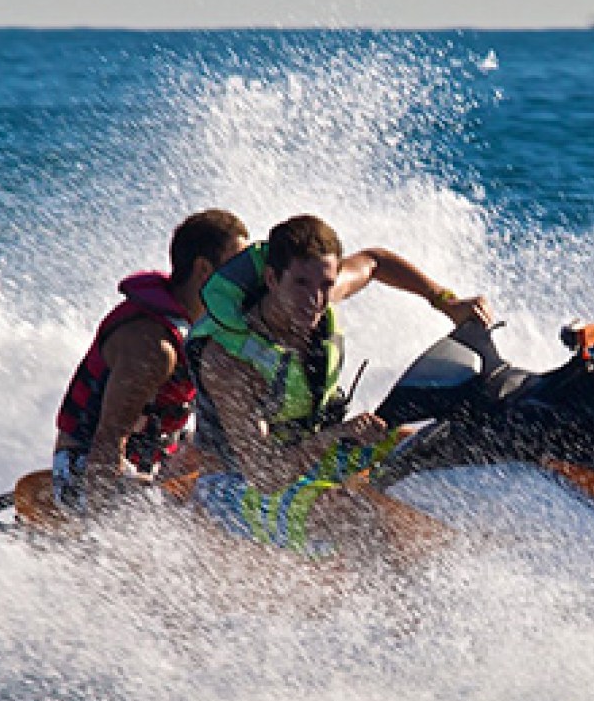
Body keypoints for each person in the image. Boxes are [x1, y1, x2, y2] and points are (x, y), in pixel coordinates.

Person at [187, 214, 492, 565]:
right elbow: (264, 475)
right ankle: (399, 616)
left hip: (312, 453)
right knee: (360, 517)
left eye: (325, 285)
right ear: (272, 278)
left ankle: (481, 553)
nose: (315, 299)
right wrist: (337, 435)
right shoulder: (229, 360)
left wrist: (447, 302)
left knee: (435, 447)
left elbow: (376, 261)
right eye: (301, 284)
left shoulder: (321, 293)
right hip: (234, 486)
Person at [53, 209, 251, 514]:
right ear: (203, 269)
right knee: (208, 513)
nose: (245, 280)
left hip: (154, 462)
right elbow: (108, 441)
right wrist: (103, 535)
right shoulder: (152, 347)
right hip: (87, 474)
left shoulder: (202, 326)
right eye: (235, 268)